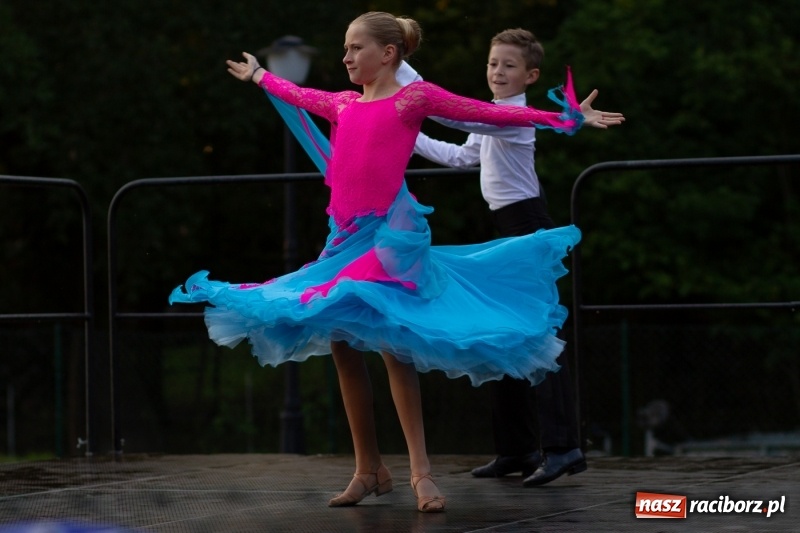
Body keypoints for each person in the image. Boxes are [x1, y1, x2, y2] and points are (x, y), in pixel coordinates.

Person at [170, 11, 619, 512]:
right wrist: (259, 75)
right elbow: (298, 95)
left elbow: (488, 113)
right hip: (342, 241)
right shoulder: (342, 104)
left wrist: (565, 117)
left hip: (388, 242)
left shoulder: (414, 100)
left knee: (393, 347)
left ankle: (420, 473)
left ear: (387, 54)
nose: (345, 57)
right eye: (344, 49)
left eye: (355, 48)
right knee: (342, 346)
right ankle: (369, 470)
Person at [401, 28, 623, 487]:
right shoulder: (498, 114)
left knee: (539, 337)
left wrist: (404, 75)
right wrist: (407, 134)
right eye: (492, 63)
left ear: (530, 75)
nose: (497, 72)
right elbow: (463, 157)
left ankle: (564, 448)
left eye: (508, 65)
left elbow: (462, 119)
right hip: (508, 232)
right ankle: (516, 449)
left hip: (526, 228)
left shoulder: (515, 116)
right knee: (504, 334)